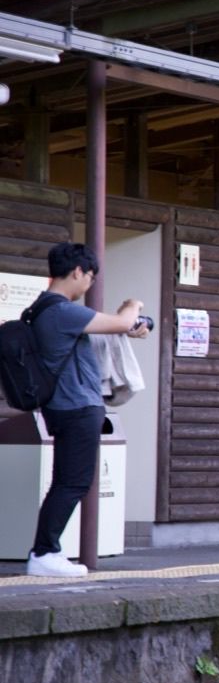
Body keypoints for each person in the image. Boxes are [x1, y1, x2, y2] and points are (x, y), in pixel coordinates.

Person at [26, 243, 150, 577]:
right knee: (73, 482)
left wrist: (128, 325)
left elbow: (115, 329)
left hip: (66, 406)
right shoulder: (61, 310)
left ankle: (46, 552)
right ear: (77, 271)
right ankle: (44, 552)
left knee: (68, 481)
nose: (89, 285)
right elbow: (123, 321)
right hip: (76, 406)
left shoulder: (43, 309)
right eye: (90, 277)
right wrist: (133, 304)